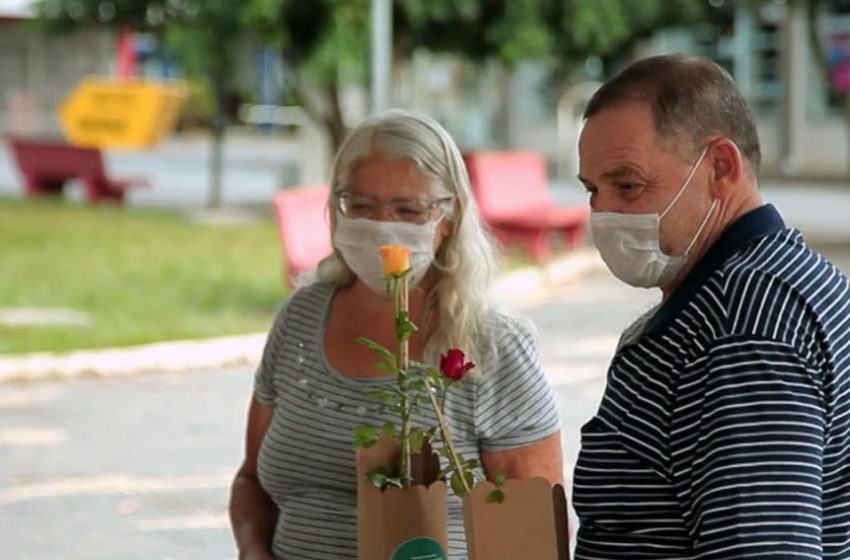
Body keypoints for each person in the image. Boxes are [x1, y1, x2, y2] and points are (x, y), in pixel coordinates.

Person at [229, 109, 564, 560]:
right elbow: (252, 482)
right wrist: (253, 549)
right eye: (360, 205)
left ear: (448, 219)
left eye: (408, 210)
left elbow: (535, 534)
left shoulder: (492, 345)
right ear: (336, 208)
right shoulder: (301, 321)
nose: (382, 225)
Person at [573, 53, 850, 559]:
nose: (603, 214)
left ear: (720, 167)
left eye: (629, 184)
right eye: (593, 191)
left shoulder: (747, 325)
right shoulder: (751, 290)